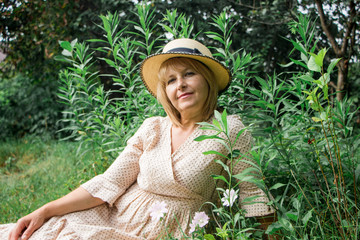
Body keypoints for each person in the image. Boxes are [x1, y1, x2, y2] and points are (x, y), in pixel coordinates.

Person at [1, 38, 274, 240]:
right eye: (170, 80)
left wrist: (272, 234)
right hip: (115, 217)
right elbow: (108, 183)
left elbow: (252, 193)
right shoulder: (152, 128)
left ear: (208, 80)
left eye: (189, 73)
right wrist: (45, 210)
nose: (180, 85)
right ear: (164, 91)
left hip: (176, 231)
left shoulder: (228, 129)